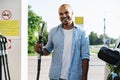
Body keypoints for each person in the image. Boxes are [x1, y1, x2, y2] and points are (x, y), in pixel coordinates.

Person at [35, 4, 90, 80]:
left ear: (72, 13)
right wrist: (40, 50)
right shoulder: (53, 32)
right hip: (55, 77)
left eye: (66, 12)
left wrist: (84, 77)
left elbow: (85, 57)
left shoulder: (82, 33)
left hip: (74, 77)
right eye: (61, 14)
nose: (64, 15)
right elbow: (47, 50)